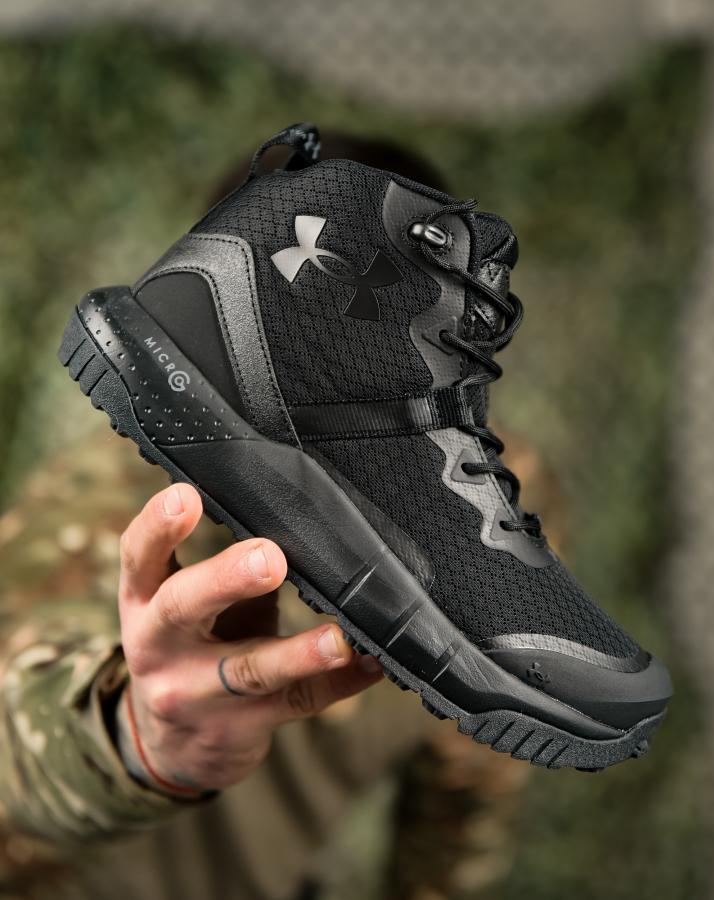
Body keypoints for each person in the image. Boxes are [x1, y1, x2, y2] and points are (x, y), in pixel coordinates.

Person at [0, 135, 560, 900]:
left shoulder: (493, 506)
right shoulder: (117, 496)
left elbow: (465, 793)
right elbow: (15, 729)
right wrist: (136, 736)